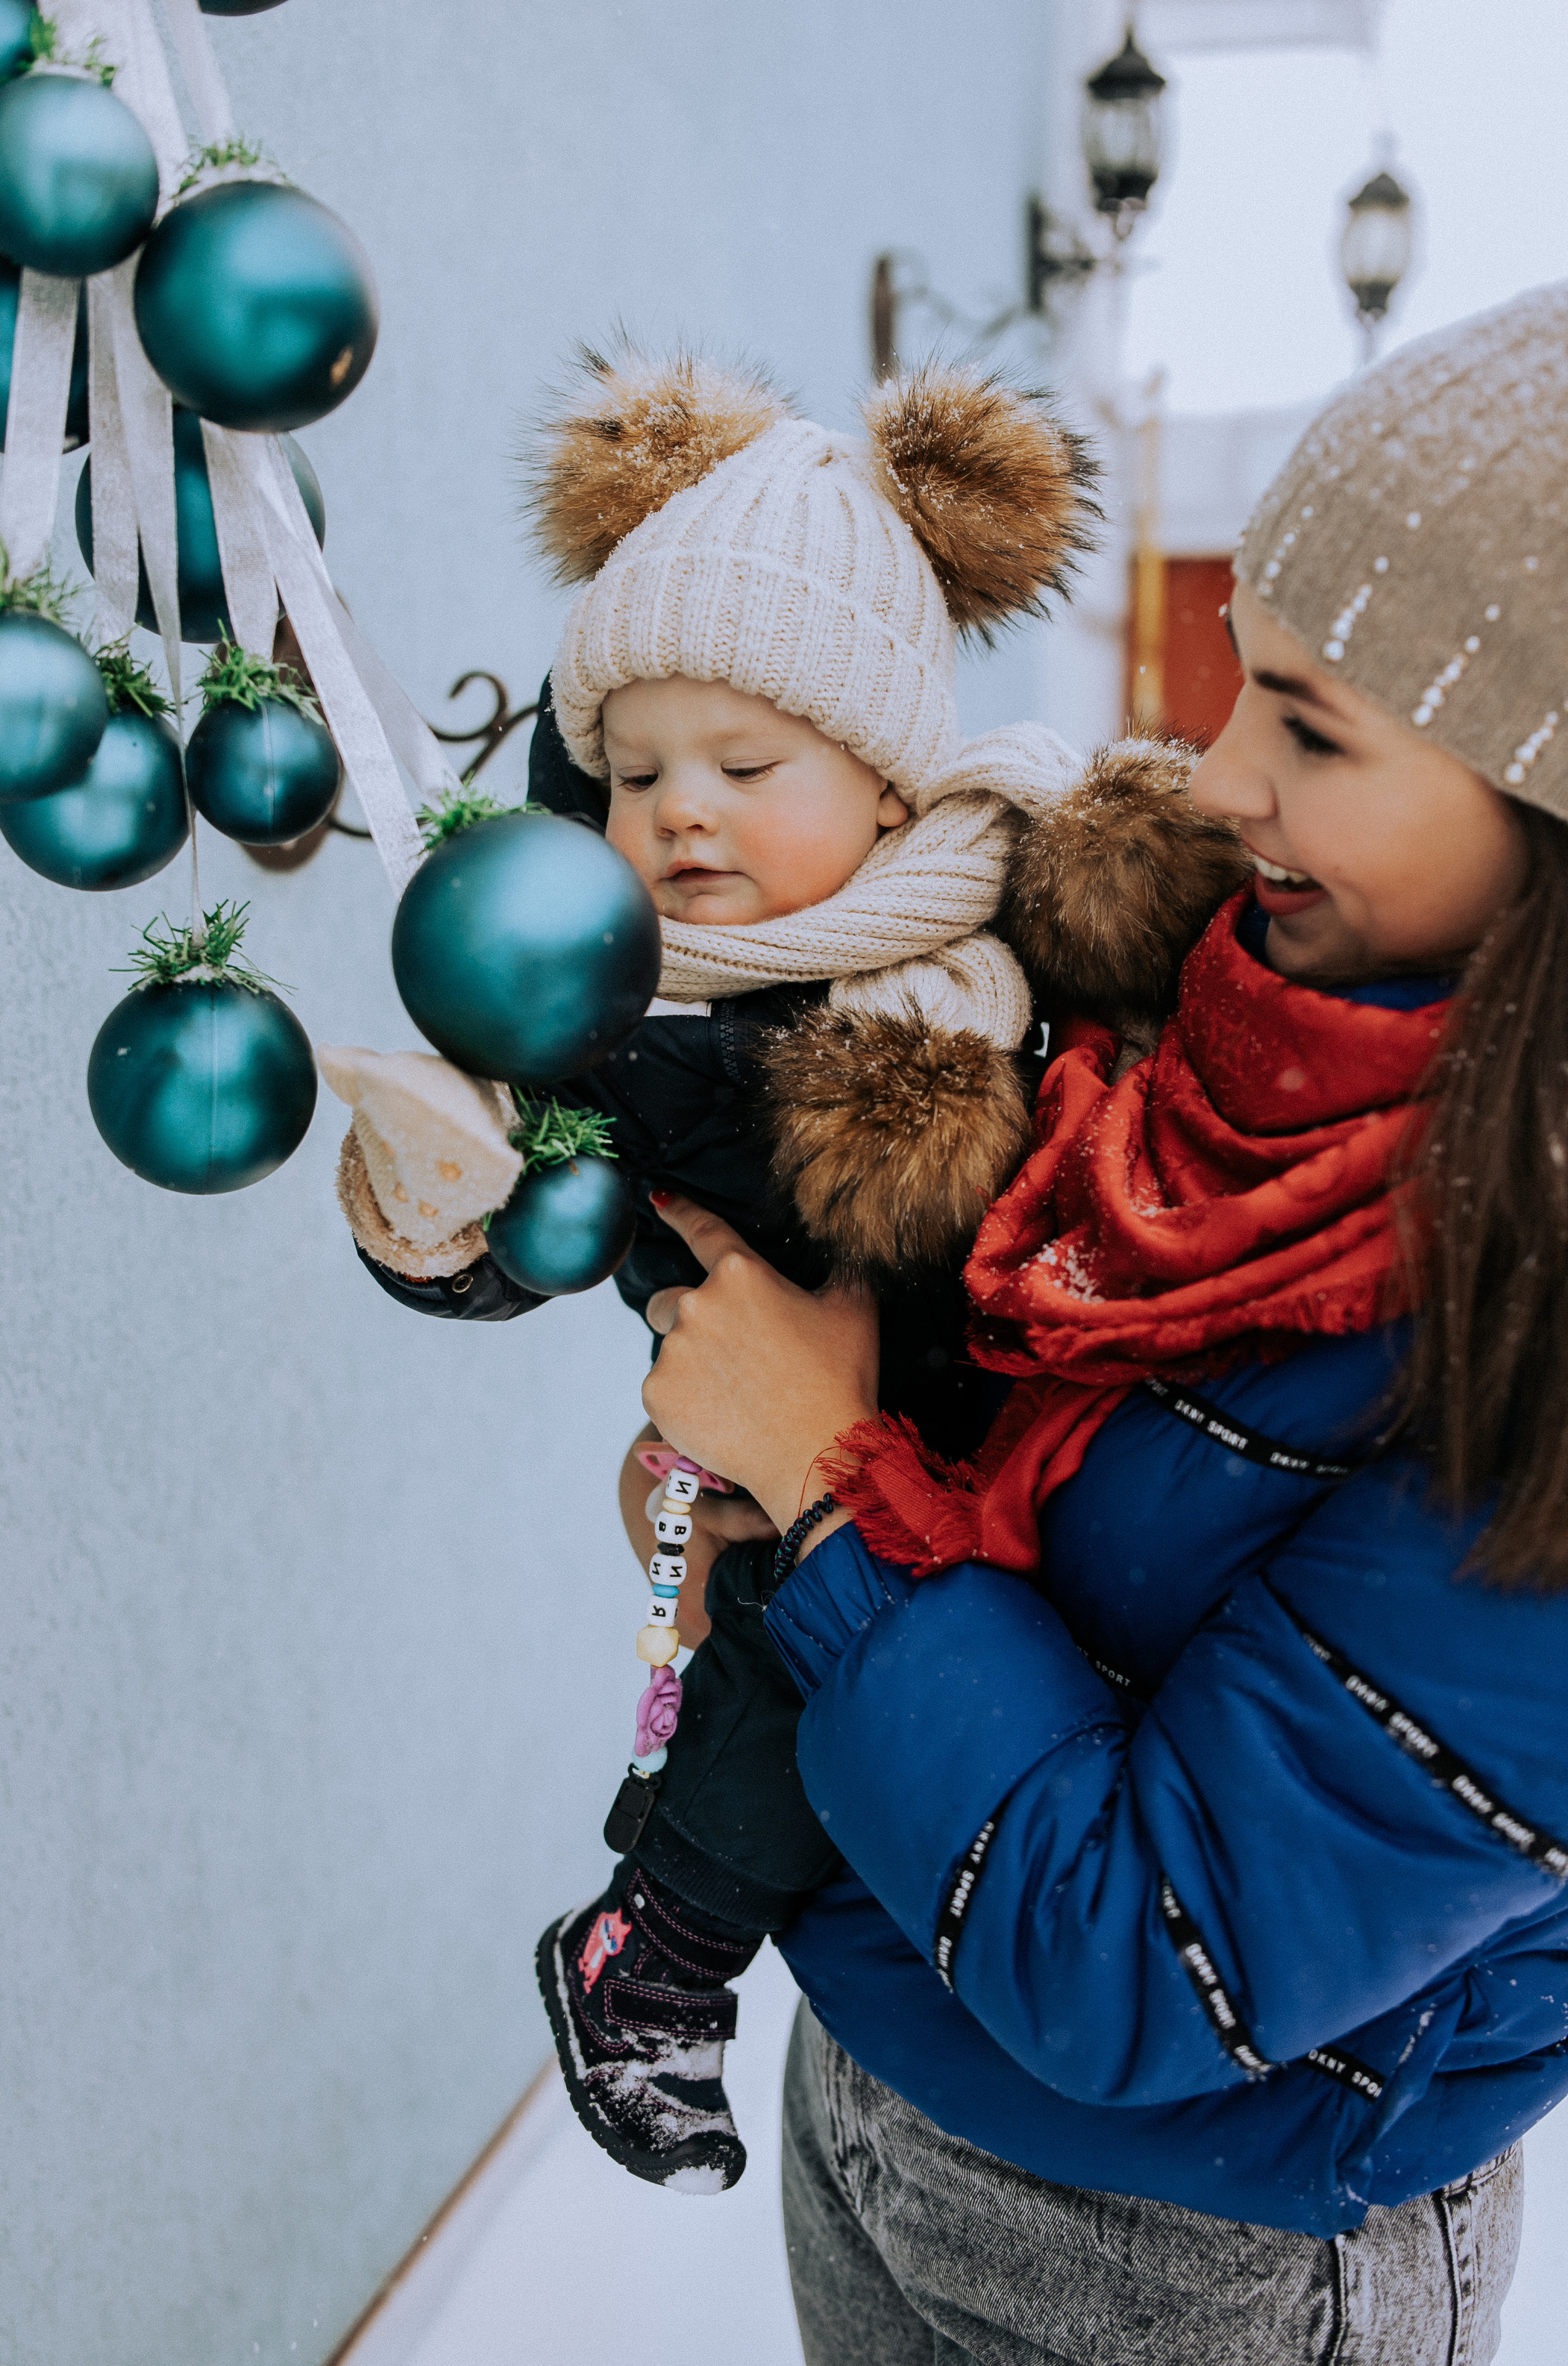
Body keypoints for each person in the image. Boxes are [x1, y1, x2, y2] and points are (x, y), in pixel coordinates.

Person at [637, 283, 1568, 2361]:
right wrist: (761, 1494)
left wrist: (831, 1487)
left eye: (1313, 728)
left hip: (1200, 2256)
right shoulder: (1219, 1040)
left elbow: (1147, 1952)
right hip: (886, 2057)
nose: (1217, 776)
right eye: (1244, 680)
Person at [327, 352, 1247, 2188]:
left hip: (1018, 1456)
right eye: (638, 773)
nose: (682, 812)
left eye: (747, 768)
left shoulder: (992, 923)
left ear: (893, 795)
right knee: (782, 1674)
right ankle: (655, 1953)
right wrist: (432, 1220)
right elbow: (532, 1222)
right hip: (802, 1484)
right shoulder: (622, 1019)